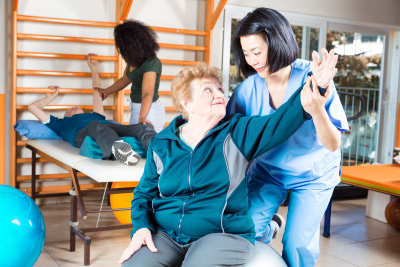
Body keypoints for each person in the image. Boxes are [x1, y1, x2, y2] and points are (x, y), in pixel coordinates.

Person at [119, 62, 332, 267]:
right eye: (207, 90)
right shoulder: (161, 143)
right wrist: (141, 227)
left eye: (220, 89)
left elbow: (280, 121)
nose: (219, 94)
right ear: (186, 103)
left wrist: (316, 85)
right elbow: (143, 195)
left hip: (221, 234)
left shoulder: (237, 132)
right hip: (166, 235)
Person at [227, 8, 348, 267]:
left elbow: (333, 143)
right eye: (246, 54)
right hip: (267, 171)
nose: (252, 61)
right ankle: (270, 228)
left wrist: (316, 108)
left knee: (296, 245)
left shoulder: (313, 78)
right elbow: (229, 135)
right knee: (247, 232)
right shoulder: (247, 90)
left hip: (314, 173)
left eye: (257, 52)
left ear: (277, 42)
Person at [27, 55, 157, 166]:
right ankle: (118, 149)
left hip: (107, 128)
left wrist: (94, 69)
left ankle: (158, 155)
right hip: (83, 134)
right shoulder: (60, 124)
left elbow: (97, 93)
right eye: (72, 109)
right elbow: (32, 107)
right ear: (67, 116)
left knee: (143, 126)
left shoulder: (96, 116)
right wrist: (49, 98)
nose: (76, 106)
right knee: (94, 124)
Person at [92, 20, 165, 133]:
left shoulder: (151, 63)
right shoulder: (133, 61)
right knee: (136, 144)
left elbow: (147, 93)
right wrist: (106, 91)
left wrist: (142, 118)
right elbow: (124, 80)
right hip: (136, 109)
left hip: (150, 111)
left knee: (149, 146)